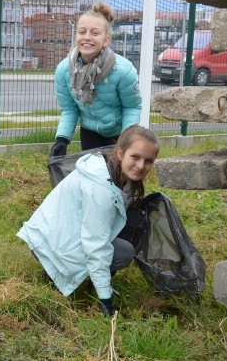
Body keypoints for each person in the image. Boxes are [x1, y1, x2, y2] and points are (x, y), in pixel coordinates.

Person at [18, 125, 159, 316]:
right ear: (120, 153)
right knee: (124, 252)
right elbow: (95, 244)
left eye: (148, 161)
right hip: (51, 246)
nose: (141, 166)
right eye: (135, 157)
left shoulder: (113, 171)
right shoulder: (100, 188)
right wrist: (105, 299)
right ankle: (58, 277)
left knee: (135, 220)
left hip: (53, 236)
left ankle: (87, 276)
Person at [50, 2, 142, 157]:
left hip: (119, 132)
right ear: (76, 36)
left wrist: (127, 141)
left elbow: (132, 107)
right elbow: (70, 109)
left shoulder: (124, 70)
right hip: (90, 131)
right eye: (82, 32)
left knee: (118, 178)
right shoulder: (64, 70)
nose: (87, 37)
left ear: (106, 40)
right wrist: (62, 140)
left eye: (94, 33)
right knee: (93, 175)